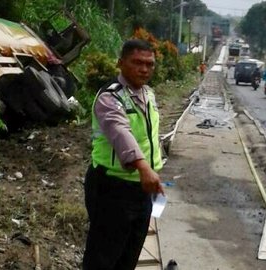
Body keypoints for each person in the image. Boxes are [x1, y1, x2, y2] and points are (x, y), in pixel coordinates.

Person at [83, 39, 165, 270]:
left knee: (128, 257)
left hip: (142, 190)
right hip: (112, 188)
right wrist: (144, 167)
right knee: (102, 258)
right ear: (120, 63)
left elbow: (148, 137)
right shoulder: (110, 97)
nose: (144, 69)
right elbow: (121, 133)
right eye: (137, 63)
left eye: (150, 64)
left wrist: (153, 170)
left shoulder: (148, 95)